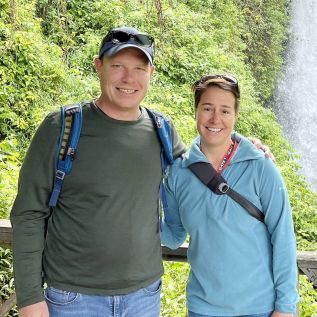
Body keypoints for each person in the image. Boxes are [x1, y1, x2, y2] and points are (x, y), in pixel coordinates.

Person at [10, 26, 274, 317]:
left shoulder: (161, 130)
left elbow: (202, 169)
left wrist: (243, 149)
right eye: (118, 66)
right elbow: (28, 214)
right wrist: (30, 298)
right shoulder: (61, 127)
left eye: (139, 68)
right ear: (99, 66)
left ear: (151, 73)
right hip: (73, 298)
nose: (129, 78)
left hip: (144, 297)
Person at [160, 74, 299, 317]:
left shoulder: (260, 167)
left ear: (235, 115)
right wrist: (130, 206)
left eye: (225, 111)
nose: (215, 119)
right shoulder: (177, 173)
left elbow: (283, 236)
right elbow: (173, 236)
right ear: (196, 111)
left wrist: (285, 307)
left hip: (260, 308)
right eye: (207, 108)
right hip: (203, 308)